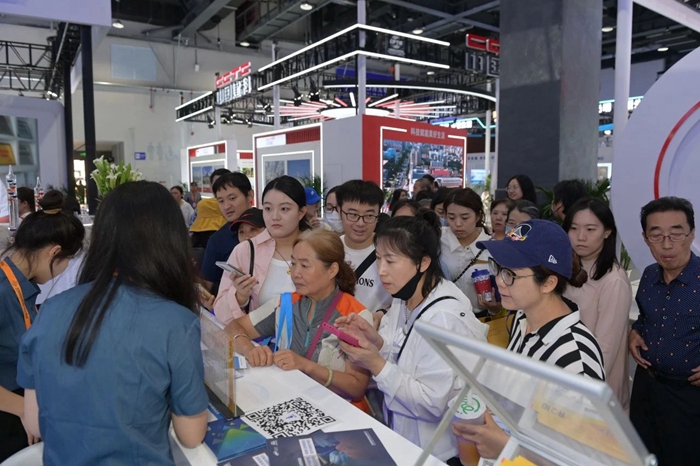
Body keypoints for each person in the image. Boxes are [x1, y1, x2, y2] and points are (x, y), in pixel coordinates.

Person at [16, 181, 208, 464]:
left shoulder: (50, 310)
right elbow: (191, 435)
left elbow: (34, 422)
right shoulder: (176, 322)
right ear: (171, 240)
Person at [335, 216, 488, 461]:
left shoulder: (443, 318)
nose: (381, 270)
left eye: (390, 261)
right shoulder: (405, 295)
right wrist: (374, 340)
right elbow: (403, 351)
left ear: (423, 262)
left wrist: (375, 363)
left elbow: (431, 403)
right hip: (406, 440)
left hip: (435, 452)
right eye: (378, 259)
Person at [453, 219, 604, 460]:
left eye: (510, 274)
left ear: (549, 283)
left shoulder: (576, 357)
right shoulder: (522, 319)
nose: (499, 280)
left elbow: (581, 458)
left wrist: (508, 448)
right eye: (497, 267)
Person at [224, 230, 372, 409]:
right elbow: (233, 327)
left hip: (336, 411)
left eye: (305, 265)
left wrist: (306, 366)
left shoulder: (356, 316)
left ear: (332, 270)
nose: (295, 273)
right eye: (293, 263)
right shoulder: (285, 303)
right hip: (289, 403)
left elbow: (357, 388)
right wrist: (249, 349)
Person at [0, 191, 85, 461]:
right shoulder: (3, 292)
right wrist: (24, 409)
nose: (65, 269)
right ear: (54, 252)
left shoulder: (22, 287)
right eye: (67, 261)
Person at [628, 197, 700, 465]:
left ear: (691, 234)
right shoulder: (648, 276)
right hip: (647, 389)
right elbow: (646, 317)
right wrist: (635, 332)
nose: (666, 245)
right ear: (646, 238)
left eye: (676, 234)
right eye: (656, 235)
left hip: (689, 398)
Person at [563, 197, 631, 409]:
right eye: (574, 228)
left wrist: (580, 392)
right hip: (564, 380)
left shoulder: (613, 281)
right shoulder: (567, 268)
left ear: (607, 232)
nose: (580, 237)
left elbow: (605, 349)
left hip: (592, 393)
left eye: (590, 229)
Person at [214, 176, 309, 325]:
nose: (274, 217)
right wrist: (240, 297)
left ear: (301, 212)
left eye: (284, 209)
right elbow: (220, 312)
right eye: (268, 209)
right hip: (261, 339)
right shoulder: (245, 251)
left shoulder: (319, 249)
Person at [335, 180, 393, 318]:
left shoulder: (392, 253)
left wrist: (383, 315)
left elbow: (406, 302)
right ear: (339, 211)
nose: (360, 223)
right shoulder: (329, 249)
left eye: (369, 216)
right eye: (353, 215)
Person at [440, 189, 493, 315]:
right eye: (451, 217)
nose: (458, 224)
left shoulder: (491, 247)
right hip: (445, 315)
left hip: (480, 316)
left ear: (478, 216)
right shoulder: (438, 240)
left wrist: (495, 307)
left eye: (465, 217)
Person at [199, 173, 254, 294]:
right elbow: (206, 287)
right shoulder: (217, 240)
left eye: (232, 198)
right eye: (221, 201)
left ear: (250, 195)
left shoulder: (271, 226)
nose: (226, 206)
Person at [189, 169, 230, 248]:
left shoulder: (236, 206)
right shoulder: (202, 206)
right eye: (217, 183)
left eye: (224, 183)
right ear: (211, 186)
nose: (220, 187)